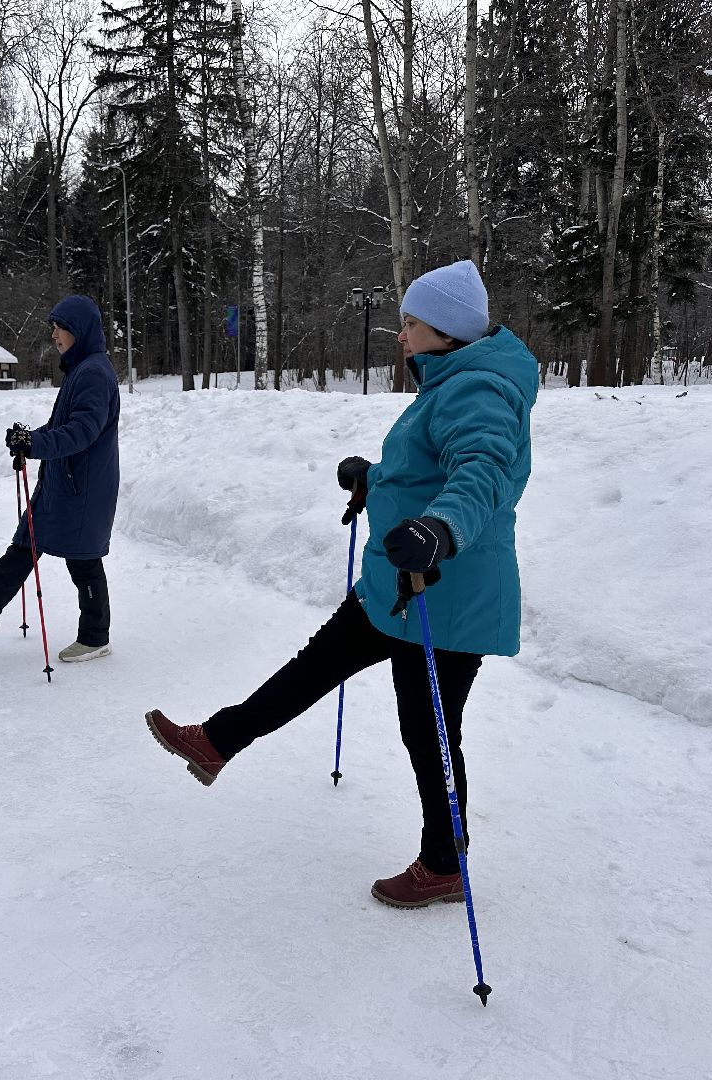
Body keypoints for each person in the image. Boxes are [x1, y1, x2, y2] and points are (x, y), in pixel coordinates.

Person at [145, 259, 538, 908]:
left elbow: (483, 473)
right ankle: (218, 741)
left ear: (442, 330)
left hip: (446, 594)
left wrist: (439, 530)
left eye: (409, 323)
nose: (401, 334)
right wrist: (375, 479)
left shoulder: (480, 390)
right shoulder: (451, 380)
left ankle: (444, 863)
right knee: (313, 666)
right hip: (396, 583)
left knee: (430, 731)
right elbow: (428, 467)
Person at [0, 295, 121, 663]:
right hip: (64, 483)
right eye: (52, 327)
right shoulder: (81, 369)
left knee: (83, 560)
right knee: (26, 544)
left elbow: (82, 432)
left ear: (79, 330)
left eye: (60, 327)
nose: (54, 334)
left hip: (83, 488)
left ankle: (95, 637)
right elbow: (60, 428)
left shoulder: (94, 373)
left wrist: (36, 443)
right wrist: (28, 438)